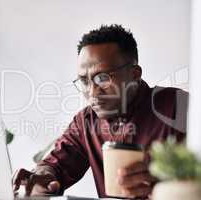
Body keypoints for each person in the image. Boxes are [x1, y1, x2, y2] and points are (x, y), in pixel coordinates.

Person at [12, 24, 188, 199]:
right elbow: (56, 165)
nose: (92, 92)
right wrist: (43, 175)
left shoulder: (178, 107)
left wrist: (167, 185)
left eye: (103, 78)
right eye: (85, 81)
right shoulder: (86, 122)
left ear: (135, 74)